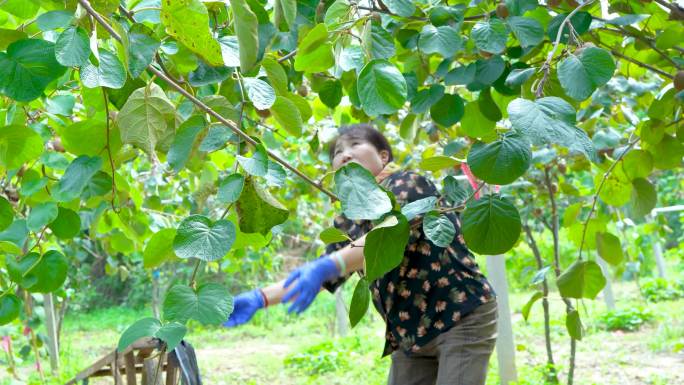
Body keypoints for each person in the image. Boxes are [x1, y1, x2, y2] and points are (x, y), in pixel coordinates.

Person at [224, 124, 498, 385]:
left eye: (355, 144)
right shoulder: (349, 220)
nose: (345, 154)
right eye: (337, 152)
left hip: (461, 314)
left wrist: (329, 265)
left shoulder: (408, 183)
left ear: (383, 156)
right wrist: (261, 298)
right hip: (410, 332)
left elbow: (389, 232)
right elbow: (322, 274)